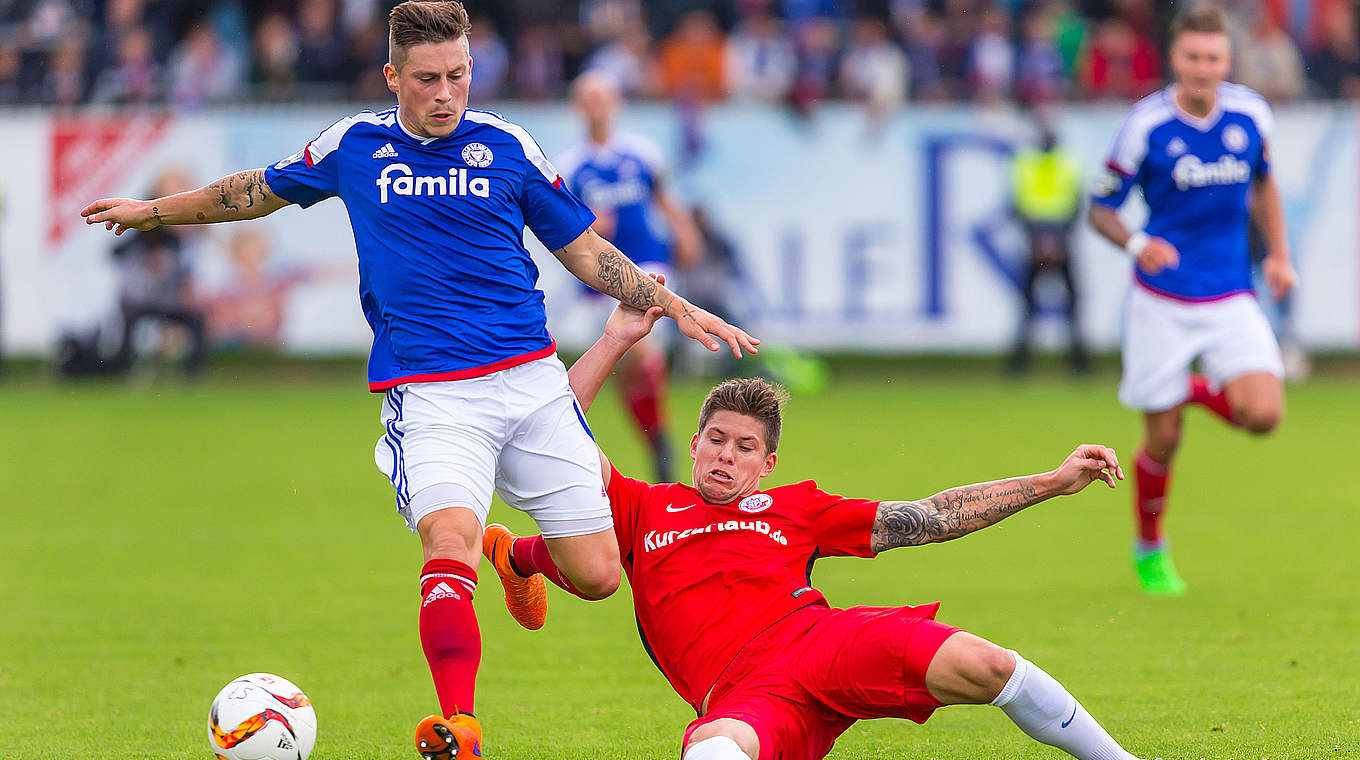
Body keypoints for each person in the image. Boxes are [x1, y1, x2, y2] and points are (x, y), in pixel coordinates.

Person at [79, 3, 758, 759]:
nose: (446, 93)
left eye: (459, 76)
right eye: (428, 79)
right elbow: (254, 190)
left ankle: (516, 555)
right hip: (433, 393)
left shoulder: (506, 145)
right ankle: (458, 726)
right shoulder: (355, 145)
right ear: (392, 77)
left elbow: (583, 250)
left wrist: (671, 302)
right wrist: (153, 212)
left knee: (599, 575)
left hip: (532, 381)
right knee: (448, 541)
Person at [480, 283, 1150, 760]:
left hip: (824, 640)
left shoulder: (796, 507)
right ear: (693, 443)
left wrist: (1052, 482)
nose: (725, 456)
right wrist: (616, 339)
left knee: (988, 664)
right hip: (744, 691)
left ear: (766, 463)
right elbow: (553, 438)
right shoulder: (640, 506)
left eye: (744, 448)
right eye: (715, 439)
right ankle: (518, 558)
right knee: (714, 753)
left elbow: (929, 518)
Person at [1088, 7, 1295, 595]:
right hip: (1162, 300)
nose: (1203, 68)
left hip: (1231, 293)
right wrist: (1136, 242)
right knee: (1163, 441)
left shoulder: (1252, 114)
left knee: (1265, 415)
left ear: (1227, 61)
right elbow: (1100, 210)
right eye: (1192, 58)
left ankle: (1192, 391)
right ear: (1174, 60)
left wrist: (1279, 256)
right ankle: (1150, 548)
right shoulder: (1144, 125)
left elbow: (1264, 186)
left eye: (1214, 58)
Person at [556, 69, 702, 482]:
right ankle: (656, 440)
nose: (598, 106)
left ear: (616, 104)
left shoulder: (641, 153)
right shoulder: (570, 165)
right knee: (622, 367)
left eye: (604, 97)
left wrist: (684, 229)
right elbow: (563, 225)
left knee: (640, 350)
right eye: (590, 99)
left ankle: (662, 448)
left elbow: (662, 197)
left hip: (646, 264)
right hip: (598, 279)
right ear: (578, 107)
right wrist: (587, 225)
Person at [1008, 127, 1089, 374]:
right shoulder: (1066, 163)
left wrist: (1041, 238)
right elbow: (1076, 204)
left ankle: (1020, 365)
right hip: (1054, 238)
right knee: (1066, 303)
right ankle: (1079, 364)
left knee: (1031, 304)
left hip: (1042, 238)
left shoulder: (1026, 163)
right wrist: (1056, 238)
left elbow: (1017, 205)